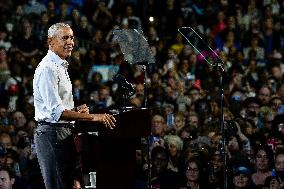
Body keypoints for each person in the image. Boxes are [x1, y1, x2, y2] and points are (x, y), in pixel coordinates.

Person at [32, 22, 116, 189]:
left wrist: (74, 111)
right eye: (65, 38)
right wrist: (94, 117)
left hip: (62, 133)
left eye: (71, 37)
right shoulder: (48, 68)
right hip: (52, 135)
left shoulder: (60, 65)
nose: (70, 42)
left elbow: (57, 108)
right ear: (51, 42)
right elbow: (56, 113)